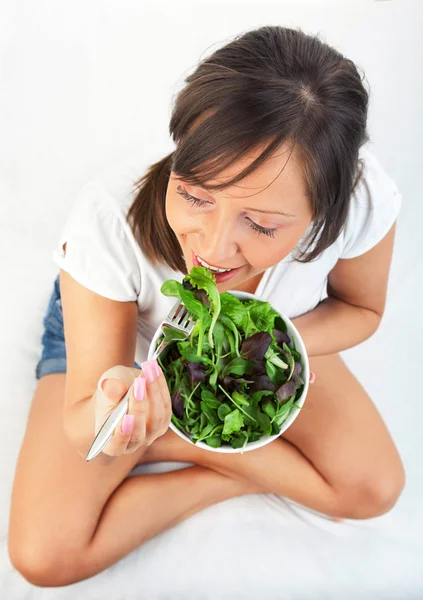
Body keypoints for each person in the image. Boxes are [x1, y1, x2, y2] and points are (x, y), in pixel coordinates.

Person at [8, 25, 405, 587]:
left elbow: (361, 311)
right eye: (194, 194)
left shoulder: (363, 203)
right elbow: (84, 426)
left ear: (325, 210)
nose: (212, 249)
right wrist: (117, 419)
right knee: (45, 556)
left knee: (373, 490)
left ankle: (188, 444)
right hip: (127, 340)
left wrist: (265, 346)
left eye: (263, 224)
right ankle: (202, 447)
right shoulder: (107, 222)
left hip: (259, 337)